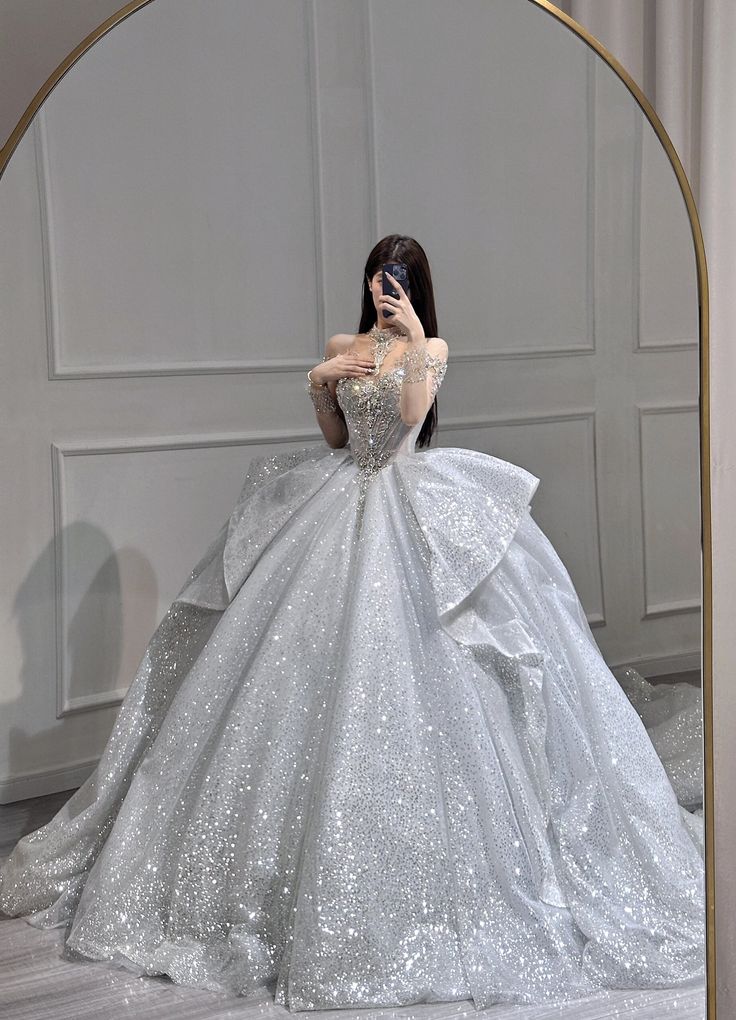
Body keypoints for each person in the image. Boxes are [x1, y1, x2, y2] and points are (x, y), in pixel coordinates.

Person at [0, 234, 705, 1012]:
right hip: (336, 504)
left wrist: (411, 339)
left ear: (415, 285)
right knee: (288, 669)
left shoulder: (431, 347)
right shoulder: (346, 345)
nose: (381, 288)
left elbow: (411, 417)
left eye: (395, 278)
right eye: (375, 276)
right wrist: (320, 383)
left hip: (409, 497)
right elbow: (338, 440)